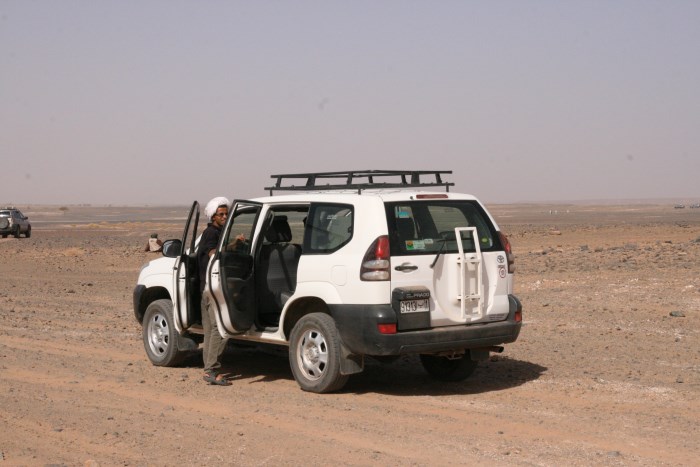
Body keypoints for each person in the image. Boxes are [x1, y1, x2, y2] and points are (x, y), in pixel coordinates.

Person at [198, 196, 232, 385]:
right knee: (219, 328)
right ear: (213, 217)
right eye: (221, 214)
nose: (225, 216)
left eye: (226, 213)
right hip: (211, 289)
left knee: (210, 330)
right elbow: (214, 255)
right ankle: (211, 370)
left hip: (207, 288)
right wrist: (233, 245)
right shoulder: (211, 234)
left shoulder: (218, 233)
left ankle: (208, 369)